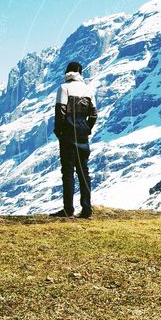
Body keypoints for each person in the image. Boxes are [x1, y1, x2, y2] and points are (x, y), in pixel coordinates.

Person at [51, 61, 98, 219]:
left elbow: (60, 113)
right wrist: (86, 128)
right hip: (83, 134)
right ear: (80, 73)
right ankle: (87, 209)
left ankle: (68, 210)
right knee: (84, 171)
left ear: (68, 72)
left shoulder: (63, 88)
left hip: (68, 134)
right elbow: (93, 115)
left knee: (68, 172)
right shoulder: (88, 89)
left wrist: (60, 132)